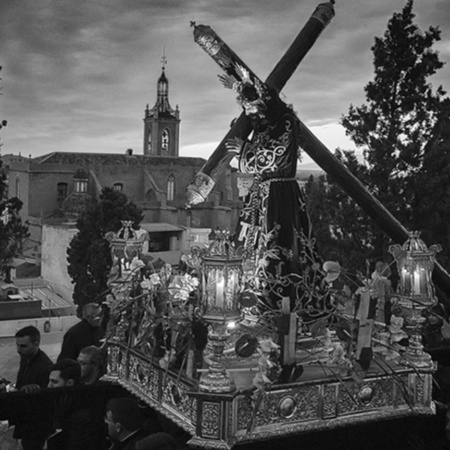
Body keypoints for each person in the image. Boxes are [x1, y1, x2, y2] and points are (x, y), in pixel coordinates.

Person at [221, 66, 329, 322]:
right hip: (261, 194)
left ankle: (277, 303)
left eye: (254, 109)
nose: (252, 115)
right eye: (248, 111)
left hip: (281, 195)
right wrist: (237, 85)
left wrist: (244, 151)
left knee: (281, 247)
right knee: (253, 243)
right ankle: (251, 298)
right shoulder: (264, 125)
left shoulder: (285, 122)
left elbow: (273, 154)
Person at [46, 358, 107, 450]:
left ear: (69, 383)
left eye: (54, 382)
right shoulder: (62, 404)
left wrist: (59, 425)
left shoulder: (84, 415)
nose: (49, 386)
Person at [10, 325, 54, 450]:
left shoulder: (45, 367)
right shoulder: (26, 358)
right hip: (26, 420)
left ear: (36, 344)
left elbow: (47, 401)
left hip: (36, 425)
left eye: (23, 346)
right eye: (17, 345)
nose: (18, 350)